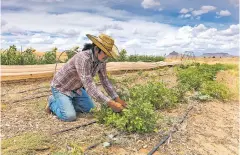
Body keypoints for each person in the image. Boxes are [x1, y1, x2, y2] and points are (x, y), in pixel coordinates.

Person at [45, 34, 127, 122]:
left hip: (76, 88)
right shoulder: (83, 58)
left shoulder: (102, 61)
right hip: (61, 87)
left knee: (90, 109)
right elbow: (89, 86)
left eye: (108, 54)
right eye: (105, 53)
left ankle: (66, 102)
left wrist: (116, 98)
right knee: (69, 116)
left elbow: (104, 80)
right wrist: (110, 103)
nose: (107, 57)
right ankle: (52, 102)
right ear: (96, 49)